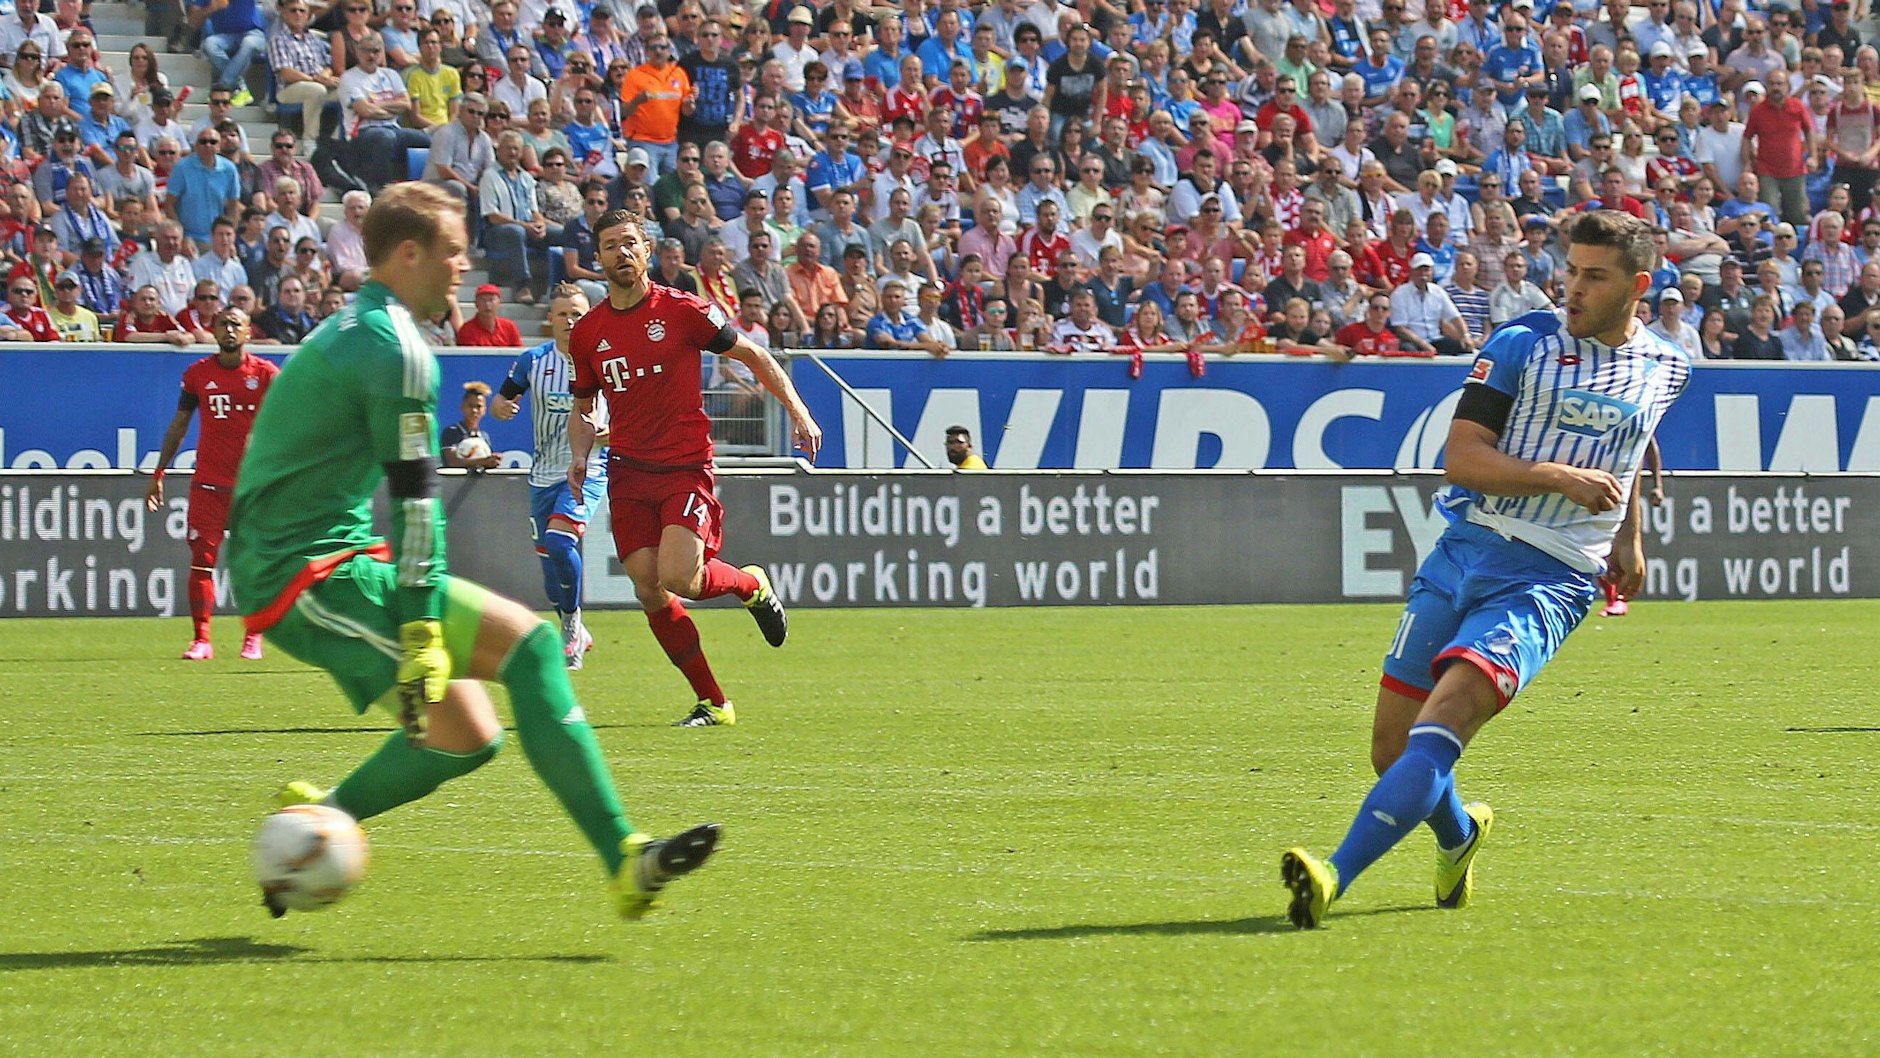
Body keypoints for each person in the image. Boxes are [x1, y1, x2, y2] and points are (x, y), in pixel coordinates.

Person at [227, 184, 721, 920]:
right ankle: (623, 857)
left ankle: (320, 819)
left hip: (327, 557)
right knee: (526, 653)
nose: (463, 267)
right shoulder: (394, 351)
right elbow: (419, 503)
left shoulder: (367, 330)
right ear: (407, 254)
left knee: (471, 734)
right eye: (453, 252)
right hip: (300, 576)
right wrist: (424, 628)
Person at [1279, 210, 1692, 930]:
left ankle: (1333, 874)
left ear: (1639, 286)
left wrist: (1631, 536)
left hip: (1551, 576)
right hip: (1463, 549)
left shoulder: (1668, 365)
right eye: (1570, 270)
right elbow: (1463, 457)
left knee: (1445, 719)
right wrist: (1559, 477)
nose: (1573, 288)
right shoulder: (1520, 343)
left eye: (1594, 276)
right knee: (1391, 749)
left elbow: (1634, 445)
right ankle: (1461, 835)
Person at [568, 208, 821, 728]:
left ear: (647, 250)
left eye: (631, 243)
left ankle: (751, 585)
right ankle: (714, 702)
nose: (622, 253)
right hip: (627, 471)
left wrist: (798, 410)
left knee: (679, 576)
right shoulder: (588, 333)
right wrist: (578, 453)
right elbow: (585, 403)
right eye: (611, 245)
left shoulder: (683, 310)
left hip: (684, 465)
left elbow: (752, 355)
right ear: (598, 258)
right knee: (646, 584)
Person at [145, 307, 278, 661]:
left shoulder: (266, 375)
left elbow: (288, 426)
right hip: (209, 484)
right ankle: (201, 639)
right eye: (224, 324)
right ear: (213, 330)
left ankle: (253, 637)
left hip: (251, 487)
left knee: (253, 563)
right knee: (202, 559)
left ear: (249, 332)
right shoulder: (198, 374)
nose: (230, 329)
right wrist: (159, 472)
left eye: (237, 324)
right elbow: (179, 425)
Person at [490, 286, 606, 666]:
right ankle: (571, 620)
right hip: (542, 474)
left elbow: (632, 413)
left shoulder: (605, 360)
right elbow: (501, 399)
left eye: (577, 314)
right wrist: (502, 406)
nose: (571, 321)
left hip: (587, 468)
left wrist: (607, 433)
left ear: (590, 316)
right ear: (550, 320)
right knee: (550, 579)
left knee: (560, 543)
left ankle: (571, 626)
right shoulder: (533, 361)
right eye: (563, 315)